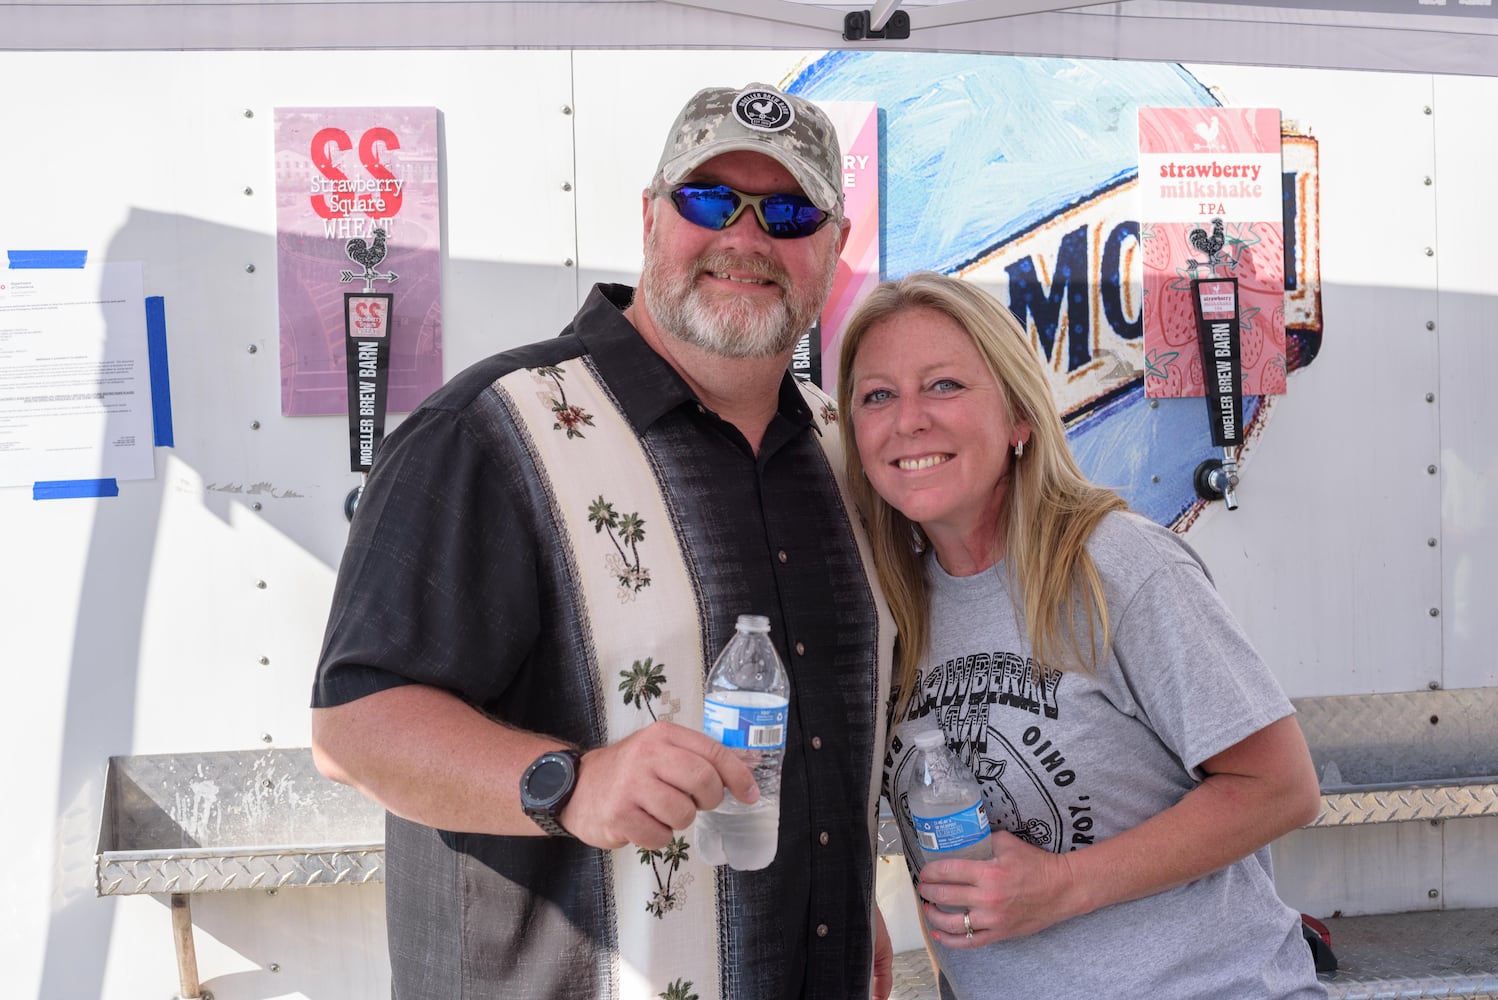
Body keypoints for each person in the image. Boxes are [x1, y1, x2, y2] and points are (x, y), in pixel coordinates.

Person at [311, 83, 895, 1000]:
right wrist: (568, 783)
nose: (746, 238)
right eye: (710, 200)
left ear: (833, 248)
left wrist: (840, 896)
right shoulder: (490, 431)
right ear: (652, 215)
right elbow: (354, 728)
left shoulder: (838, 448)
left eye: (787, 212)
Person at [836, 271, 1326, 999]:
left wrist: (1063, 884)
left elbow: (1281, 787)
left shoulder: (1117, 565)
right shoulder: (891, 613)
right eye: (878, 395)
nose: (908, 420)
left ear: (1019, 420)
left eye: (944, 385)